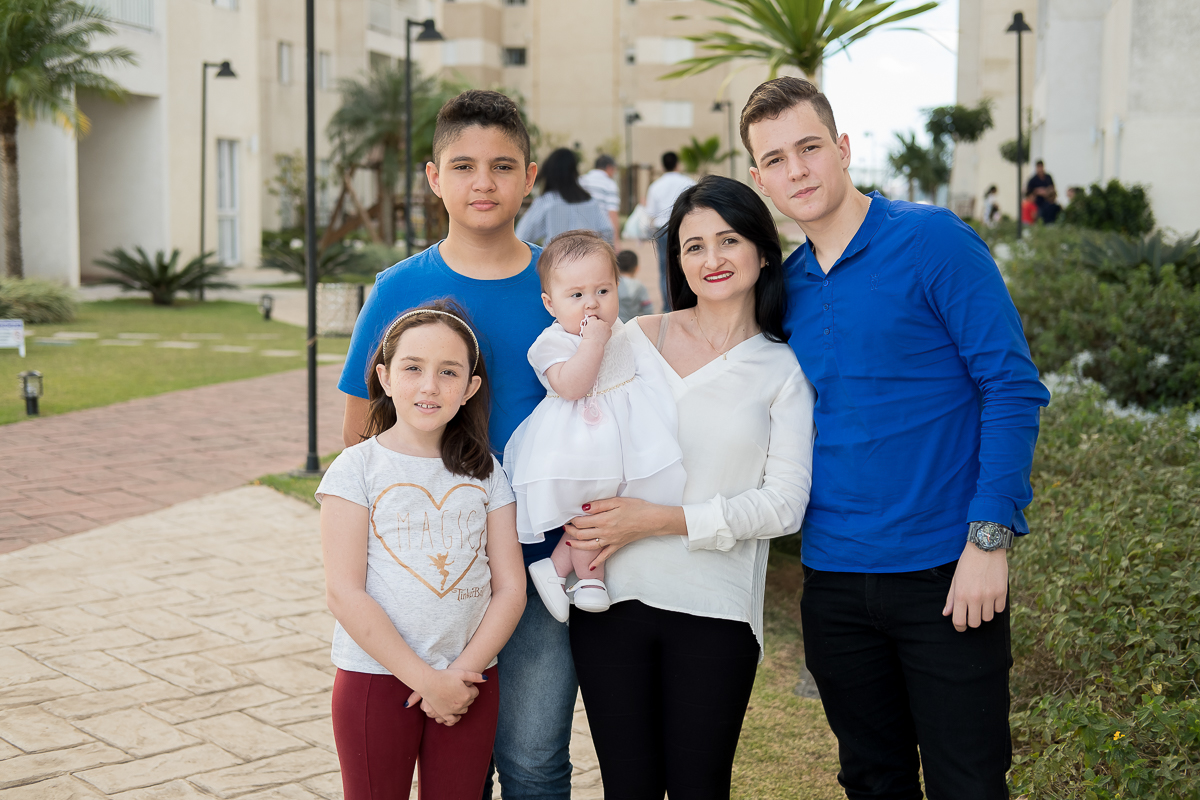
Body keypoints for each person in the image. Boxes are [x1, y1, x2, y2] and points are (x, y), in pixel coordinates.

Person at [742, 76, 1050, 799]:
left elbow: (1011, 385)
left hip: (948, 573)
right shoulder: (784, 288)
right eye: (777, 160)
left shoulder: (932, 241)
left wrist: (988, 540)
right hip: (835, 583)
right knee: (871, 780)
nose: (799, 171)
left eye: (810, 148)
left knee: (967, 782)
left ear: (843, 149)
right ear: (761, 179)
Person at [338, 90, 578, 800]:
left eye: (502, 166)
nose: (484, 183)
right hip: (419, 574)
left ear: (529, 176)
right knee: (449, 770)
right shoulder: (397, 289)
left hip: (532, 568)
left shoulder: (557, 286)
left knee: (533, 762)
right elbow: (359, 432)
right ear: (433, 176)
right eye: (464, 165)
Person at [566, 175, 816, 799]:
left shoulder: (783, 368)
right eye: (693, 245)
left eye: (728, 240)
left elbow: (785, 504)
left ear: (761, 251)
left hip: (715, 611)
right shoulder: (632, 340)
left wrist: (658, 519)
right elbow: (573, 437)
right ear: (677, 259)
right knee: (629, 789)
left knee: (700, 788)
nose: (712, 260)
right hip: (611, 599)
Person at [320, 301, 526, 800]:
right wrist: (424, 681)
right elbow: (344, 594)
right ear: (385, 377)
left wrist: (458, 675)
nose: (430, 386)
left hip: (469, 678)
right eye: (413, 368)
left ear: (470, 388)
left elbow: (511, 588)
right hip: (377, 676)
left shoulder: (486, 472)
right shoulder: (356, 469)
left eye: (448, 372)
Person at [504, 231, 686, 622]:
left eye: (603, 290)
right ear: (550, 304)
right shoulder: (550, 343)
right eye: (576, 296)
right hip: (576, 442)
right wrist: (592, 343)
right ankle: (591, 578)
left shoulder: (624, 330)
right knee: (591, 505)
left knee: (614, 506)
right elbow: (571, 387)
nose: (592, 303)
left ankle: (554, 568)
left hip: (623, 436)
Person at [516, 148, 614, 245]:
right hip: (589, 258)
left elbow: (522, 234)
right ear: (574, 170)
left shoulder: (547, 201)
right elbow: (607, 231)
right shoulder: (590, 202)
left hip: (555, 259)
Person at [644, 152, 696, 311]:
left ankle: (668, 307)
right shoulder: (688, 182)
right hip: (684, 228)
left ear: (662, 166)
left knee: (665, 269)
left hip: (663, 230)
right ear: (677, 164)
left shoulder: (655, 186)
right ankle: (688, 304)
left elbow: (650, 213)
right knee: (689, 266)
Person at [578, 154, 621, 245]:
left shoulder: (581, 180)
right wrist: (616, 240)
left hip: (580, 231)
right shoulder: (609, 184)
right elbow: (612, 213)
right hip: (601, 233)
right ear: (609, 167)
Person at [616, 249, 652, 321]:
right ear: (637, 268)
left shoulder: (613, 285)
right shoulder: (639, 286)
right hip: (633, 324)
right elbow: (647, 308)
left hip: (616, 324)